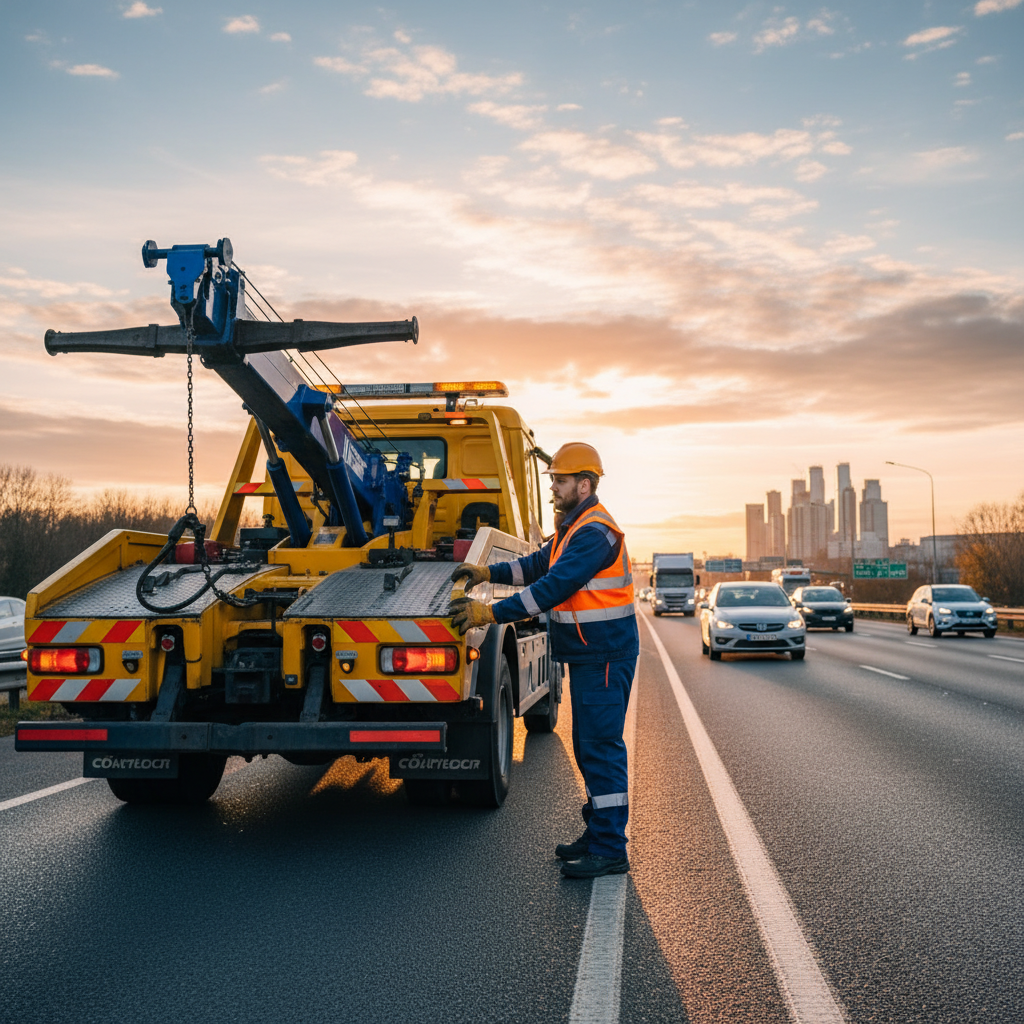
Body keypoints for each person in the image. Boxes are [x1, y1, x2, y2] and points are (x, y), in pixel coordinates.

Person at [449, 442, 639, 879]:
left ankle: (610, 849)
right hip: (592, 654)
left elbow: (551, 588)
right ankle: (599, 833)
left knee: (600, 748)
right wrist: (489, 573)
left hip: (605, 654)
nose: (552, 487)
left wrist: (490, 613)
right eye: (552, 479)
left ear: (584, 485)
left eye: (560, 480)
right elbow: (537, 565)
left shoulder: (595, 533)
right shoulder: (574, 528)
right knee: (589, 747)